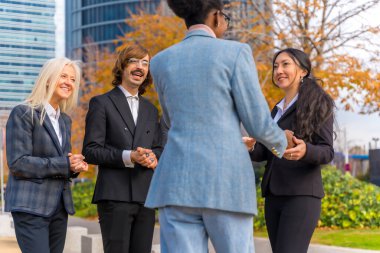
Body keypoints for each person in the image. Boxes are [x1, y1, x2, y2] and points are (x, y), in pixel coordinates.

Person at [144, 0, 292, 252]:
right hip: (225, 182)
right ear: (215, 16)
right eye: (225, 17)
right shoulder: (235, 53)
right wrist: (282, 142)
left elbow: (169, 120)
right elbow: (257, 122)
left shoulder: (159, 62)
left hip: (175, 183)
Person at [248, 48, 335, 253]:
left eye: (285, 64)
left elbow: (327, 152)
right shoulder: (276, 110)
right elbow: (266, 152)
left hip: (301, 195)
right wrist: (251, 146)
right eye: (276, 66)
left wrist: (306, 151)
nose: (279, 70)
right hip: (274, 195)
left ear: (303, 70)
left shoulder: (318, 103)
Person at [82, 45, 163, 253]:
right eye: (134, 61)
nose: (140, 67)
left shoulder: (151, 110)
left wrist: (154, 157)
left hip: (145, 197)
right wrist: (129, 156)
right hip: (114, 196)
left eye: (145, 63)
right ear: (122, 66)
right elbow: (91, 150)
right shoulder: (101, 103)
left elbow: (159, 148)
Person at [5, 57, 88, 253]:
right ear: (48, 79)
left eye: (73, 79)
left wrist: (73, 166)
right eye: (63, 76)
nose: (69, 82)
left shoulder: (65, 121)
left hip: (59, 207)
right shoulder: (24, 113)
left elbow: (62, 163)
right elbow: (18, 163)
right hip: (31, 207)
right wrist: (64, 164)